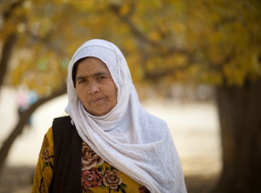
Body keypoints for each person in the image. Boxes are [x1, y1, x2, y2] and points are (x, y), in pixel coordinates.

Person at [32, 39, 187, 193]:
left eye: (101, 78)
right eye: (83, 81)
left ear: (121, 80)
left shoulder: (156, 134)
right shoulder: (58, 137)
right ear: (74, 88)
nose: (93, 89)